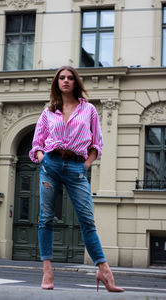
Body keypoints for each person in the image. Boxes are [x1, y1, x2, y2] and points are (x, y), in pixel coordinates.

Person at [29, 66, 124, 293]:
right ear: (56, 82)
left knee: (87, 220)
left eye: (70, 78)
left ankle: (103, 270)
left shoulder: (88, 110)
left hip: (76, 168)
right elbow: (36, 144)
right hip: (50, 165)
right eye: (62, 78)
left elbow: (97, 144)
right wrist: (43, 159)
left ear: (76, 82)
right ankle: (47, 271)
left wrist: (86, 164)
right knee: (46, 218)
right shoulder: (48, 112)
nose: (66, 81)